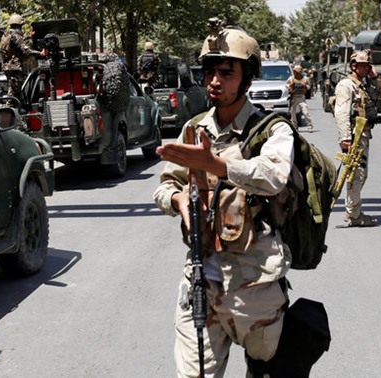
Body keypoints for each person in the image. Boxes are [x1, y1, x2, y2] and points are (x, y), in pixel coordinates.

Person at [153, 24, 296, 377]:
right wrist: (178, 200)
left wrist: (216, 164)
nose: (214, 81)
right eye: (209, 72)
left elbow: (274, 175)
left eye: (226, 73)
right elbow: (165, 185)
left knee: (266, 372)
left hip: (255, 283)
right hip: (201, 276)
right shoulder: (194, 128)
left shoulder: (272, 129)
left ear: (246, 78)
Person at [333, 50, 380, 227]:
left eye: (368, 65)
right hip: (354, 136)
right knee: (356, 174)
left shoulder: (364, 84)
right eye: (364, 65)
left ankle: (353, 210)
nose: (367, 68)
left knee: (360, 174)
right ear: (354, 66)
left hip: (364, 135)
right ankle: (354, 214)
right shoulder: (346, 85)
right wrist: (345, 138)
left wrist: (375, 77)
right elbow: (342, 113)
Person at [0, 14, 46, 106]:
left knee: (17, 93)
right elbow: (26, 50)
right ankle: (9, 114)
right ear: (19, 26)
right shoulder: (15, 36)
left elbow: (17, 42)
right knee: (13, 95)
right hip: (15, 68)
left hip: (9, 66)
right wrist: (40, 53)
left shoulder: (8, 35)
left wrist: (29, 36)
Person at [287, 65, 314, 132]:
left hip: (301, 97)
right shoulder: (291, 78)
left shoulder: (304, 79)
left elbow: (309, 87)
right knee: (293, 113)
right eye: (296, 72)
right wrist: (291, 85)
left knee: (305, 112)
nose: (296, 73)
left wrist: (305, 85)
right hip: (294, 97)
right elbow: (287, 86)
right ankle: (295, 127)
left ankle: (310, 126)